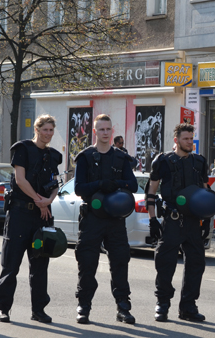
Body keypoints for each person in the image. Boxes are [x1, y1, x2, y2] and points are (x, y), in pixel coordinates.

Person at [0, 115, 62, 324]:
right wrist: (38, 199)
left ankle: (38, 310)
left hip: (42, 216)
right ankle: (4, 308)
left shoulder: (53, 156)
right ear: (37, 129)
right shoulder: (22, 149)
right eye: (45, 130)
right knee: (11, 264)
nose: (48, 134)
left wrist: (47, 201)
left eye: (51, 130)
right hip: (20, 215)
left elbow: (55, 185)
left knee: (40, 265)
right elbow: (20, 180)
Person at [74, 114, 138, 325]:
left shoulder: (121, 158)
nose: (105, 133)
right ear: (95, 131)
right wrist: (100, 184)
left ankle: (123, 308)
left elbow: (133, 185)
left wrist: (116, 183)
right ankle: (84, 307)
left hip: (115, 219)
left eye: (108, 129)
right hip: (92, 218)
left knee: (120, 261)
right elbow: (78, 188)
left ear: (112, 130)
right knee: (87, 263)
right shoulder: (85, 157)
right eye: (101, 129)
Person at [145, 123, 210, 323]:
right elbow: (151, 192)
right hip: (172, 220)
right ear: (176, 140)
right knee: (165, 263)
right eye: (186, 139)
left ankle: (188, 307)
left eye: (191, 139)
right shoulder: (162, 161)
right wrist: (153, 219)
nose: (190, 142)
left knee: (196, 264)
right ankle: (162, 304)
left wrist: (207, 220)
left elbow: (206, 193)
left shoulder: (199, 162)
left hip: (193, 220)